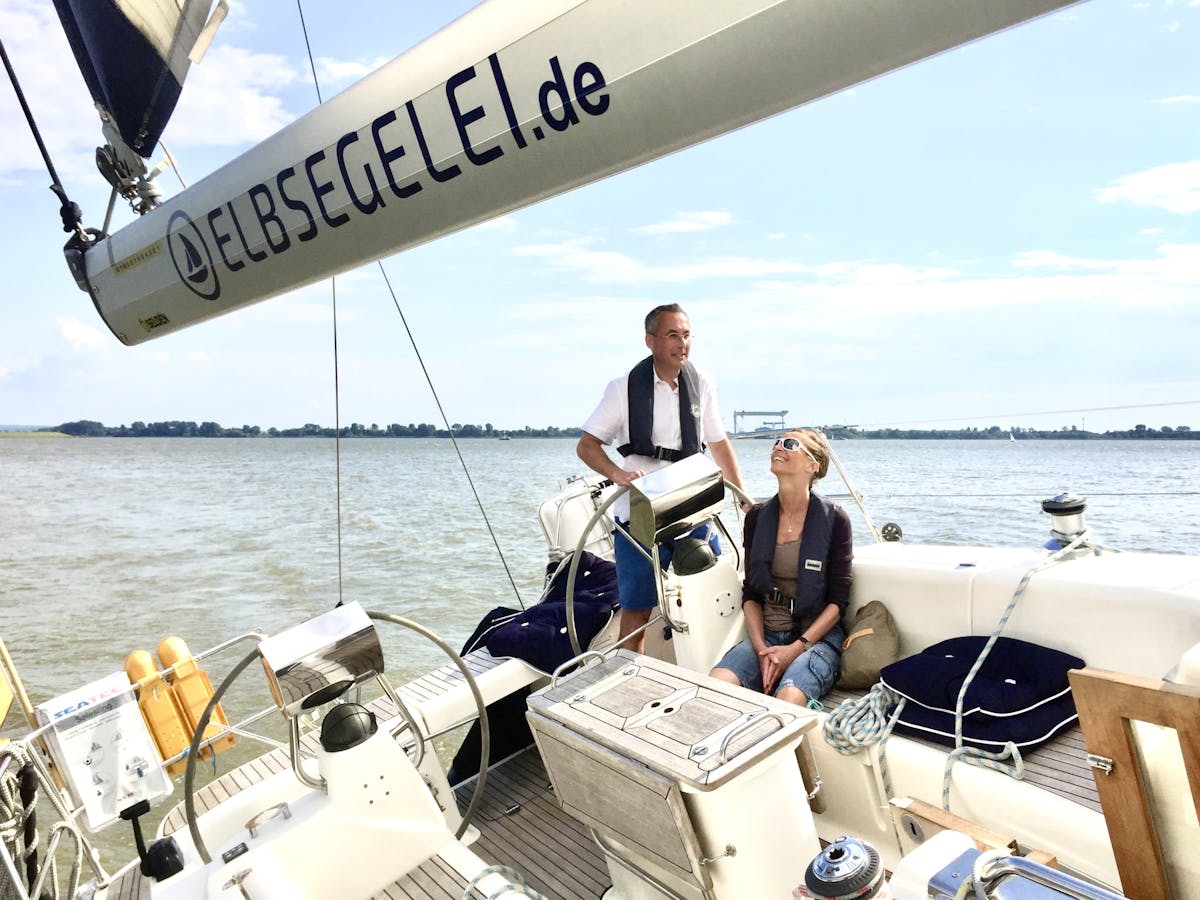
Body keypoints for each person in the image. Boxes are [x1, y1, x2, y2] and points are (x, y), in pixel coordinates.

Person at [577, 303, 745, 653]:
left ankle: (719, 668)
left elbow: (717, 442)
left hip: (691, 508)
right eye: (672, 335)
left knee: (713, 592)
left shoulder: (701, 383)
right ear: (650, 340)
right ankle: (628, 673)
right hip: (638, 514)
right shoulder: (621, 388)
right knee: (637, 609)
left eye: (686, 336)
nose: (682, 343)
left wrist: (742, 496)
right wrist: (617, 473)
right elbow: (587, 446)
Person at [710, 429, 852, 707]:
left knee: (787, 698)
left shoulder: (835, 520)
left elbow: (838, 602)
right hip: (767, 634)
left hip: (815, 639)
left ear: (814, 466)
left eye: (790, 444)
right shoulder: (757, 518)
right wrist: (761, 648)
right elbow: (751, 593)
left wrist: (795, 649)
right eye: (776, 442)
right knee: (715, 687)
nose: (778, 447)